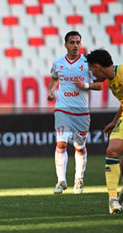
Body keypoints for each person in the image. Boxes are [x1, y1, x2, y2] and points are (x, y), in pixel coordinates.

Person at [47, 31, 102, 195]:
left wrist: (84, 85)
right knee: (61, 143)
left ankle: (79, 178)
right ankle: (61, 180)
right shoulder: (58, 63)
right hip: (62, 109)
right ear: (65, 45)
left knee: (79, 147)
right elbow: (54, 78)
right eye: (72, 42)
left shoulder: (87, 63)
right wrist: (51, 91)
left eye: (78, 42)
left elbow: (99, 85)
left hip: (81, 112)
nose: (75, 45)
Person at [86, 49, 123, 214]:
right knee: (112, 150)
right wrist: (114, 121)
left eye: (91, 69)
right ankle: (113, 200)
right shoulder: (111, 81)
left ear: (97, 66)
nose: (92, 74)